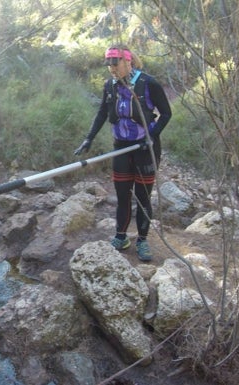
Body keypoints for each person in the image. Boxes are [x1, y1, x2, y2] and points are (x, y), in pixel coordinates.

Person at [74, 45, 172, 261]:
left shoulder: (148, 83)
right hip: (121, 148)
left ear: (128, 62)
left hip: (145, 149)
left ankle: (143, 241)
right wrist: (88, 138)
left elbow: (166, 113)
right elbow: (101, 113)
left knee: (143, 197)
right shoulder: (110, 85)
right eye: (108, 63)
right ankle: (121, 236)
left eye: (115, 63)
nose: (111, 68)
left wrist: (151, 135)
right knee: (122, 195)